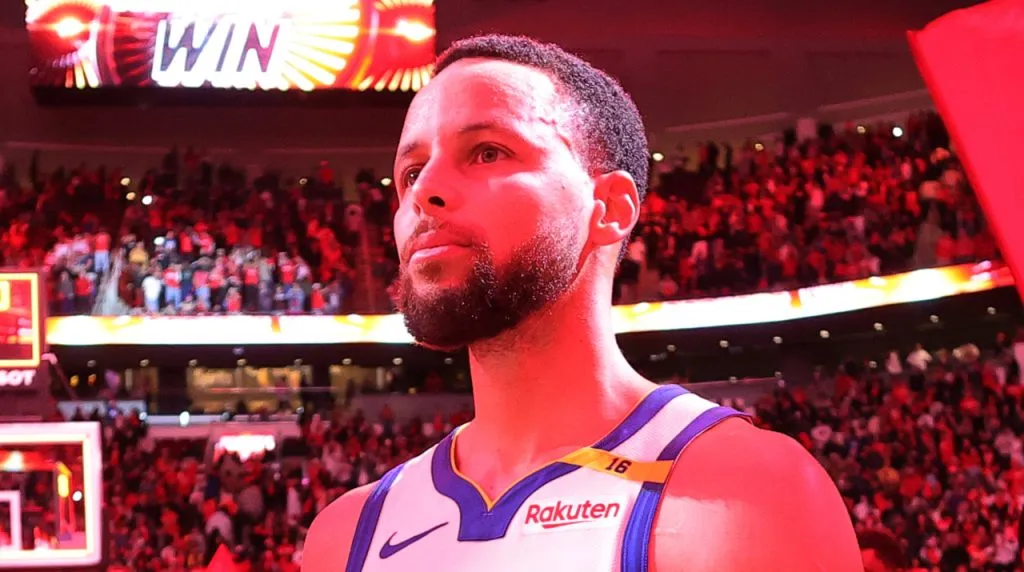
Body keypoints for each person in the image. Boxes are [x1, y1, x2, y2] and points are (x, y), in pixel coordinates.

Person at [303, 34, 860, 572]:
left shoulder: (744, 493)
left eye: (487, 152)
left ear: (610, 207)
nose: (424, 191)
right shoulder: (346, 534)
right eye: (411, 172)